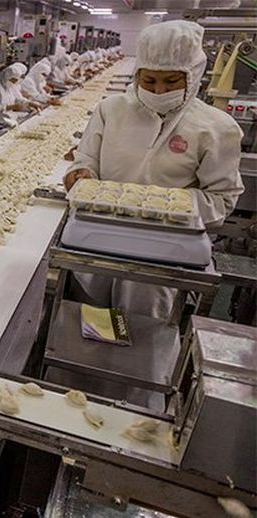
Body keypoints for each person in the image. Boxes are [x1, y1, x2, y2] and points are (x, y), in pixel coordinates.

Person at [64, 20, 244, 318]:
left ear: (193, 74)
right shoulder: (110, 110)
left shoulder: (216, 128)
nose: (159, 91)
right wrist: (81, 175)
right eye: (149, 81)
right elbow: (86, 160)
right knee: (84, 322)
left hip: (162, 255)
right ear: (138, 74)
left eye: (172, 82)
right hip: (95, 241)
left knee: (143, 333)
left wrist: (163, 206)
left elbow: (222, 199)